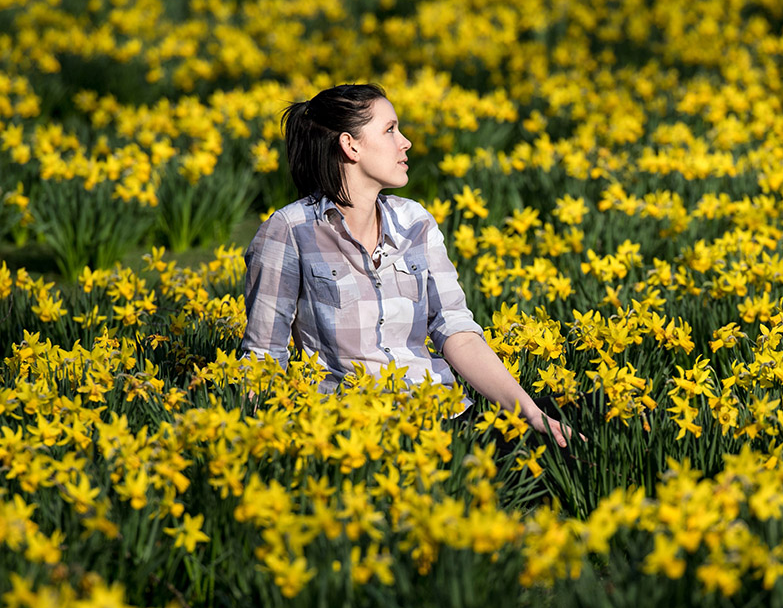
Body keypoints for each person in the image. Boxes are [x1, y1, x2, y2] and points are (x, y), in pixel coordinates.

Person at [241, 83, 575, 447]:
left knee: (582, 414)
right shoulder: (290, 231)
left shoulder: (415, 222)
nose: (406, 142)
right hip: (361, 433)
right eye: (390, 130)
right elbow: (263, 356)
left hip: (444, 415)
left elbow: (458, 332)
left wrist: (530, 412)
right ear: (350, 146)